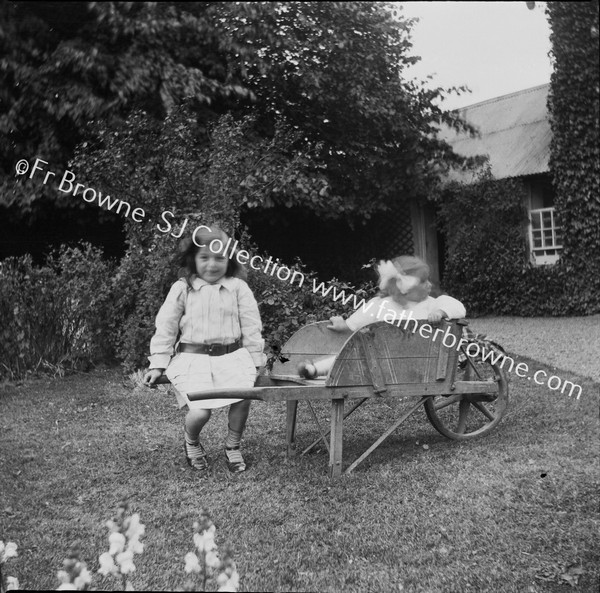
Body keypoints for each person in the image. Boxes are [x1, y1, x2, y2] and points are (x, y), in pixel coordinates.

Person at [143, 226, 265, 475]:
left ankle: (233, 446)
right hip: (193, 359)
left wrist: (255, 359)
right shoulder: (183, 288)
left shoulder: (238, 288)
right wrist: (158, 364)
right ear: (193, 260)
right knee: (201, 411)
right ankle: (191, 441)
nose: (212, 265)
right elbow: (166, 327)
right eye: (204, 258)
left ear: (229, 260)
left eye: (219, 258)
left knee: (242, 400)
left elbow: (252, 327)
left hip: (231, 358)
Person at [298, 255, 466, 378]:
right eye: (423, 281)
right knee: (351, 355)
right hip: (383, 365)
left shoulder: (432, 304)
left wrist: (441, 312)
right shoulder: (382, 305)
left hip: (421, 364)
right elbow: (360, 319)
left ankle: (316, 370)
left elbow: (457, 307)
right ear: (405, 287)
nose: (429, 285)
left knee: (358, 355)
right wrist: (345, 325)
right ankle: (315, 369)